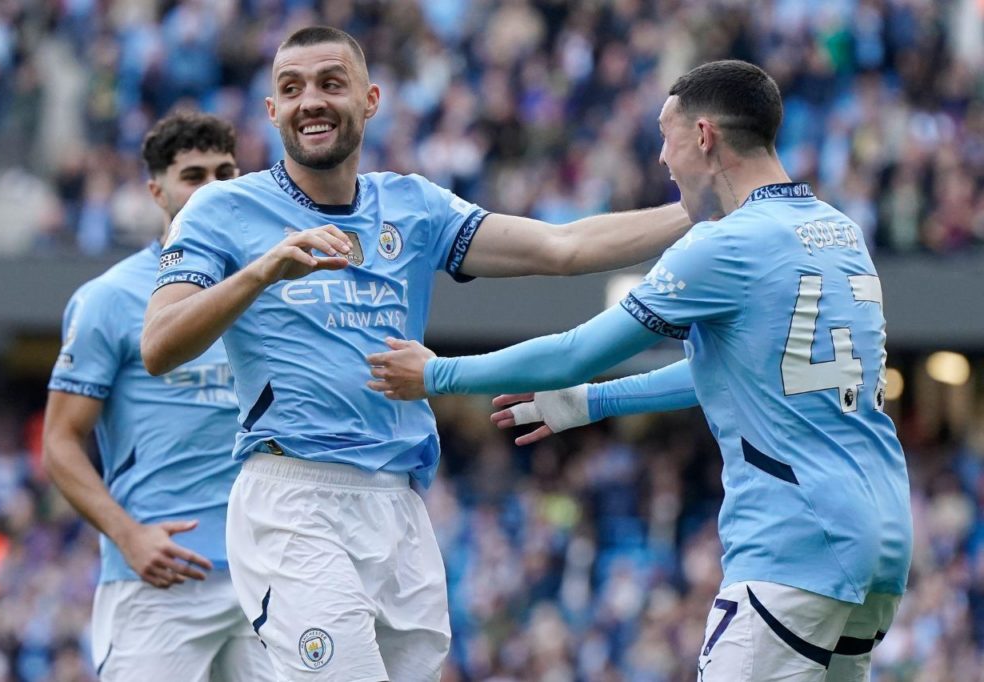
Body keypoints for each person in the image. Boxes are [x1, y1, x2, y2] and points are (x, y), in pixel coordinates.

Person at [140, 25, 691, 682]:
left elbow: (562, 248)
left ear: (370, 100)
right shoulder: (222, 210)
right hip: (292, 503)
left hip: (398, 508)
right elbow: (159, 345)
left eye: (330, 83)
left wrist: (704, 212)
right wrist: (261, 272)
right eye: (291, 89)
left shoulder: (412, 205)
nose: (309, 101)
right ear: (271, 111)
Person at [367, 60, 913, 682]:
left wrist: (438, 375)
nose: (662, 157)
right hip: (882, 537)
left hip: (794, 541)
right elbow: (730, 375)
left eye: (666, 134)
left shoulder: (723, 244)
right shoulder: (839, 230)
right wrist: (591, 404)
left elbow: (576, 351)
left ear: (704, 136)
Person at [42, 112, 274, 681]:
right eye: (194, 175)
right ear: (156, 190)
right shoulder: (111, 298)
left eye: (226, 171)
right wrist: (128, 536)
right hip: (159, 576)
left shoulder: (272, 285)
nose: (214, 188)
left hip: (265, 570)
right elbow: (59, 442)